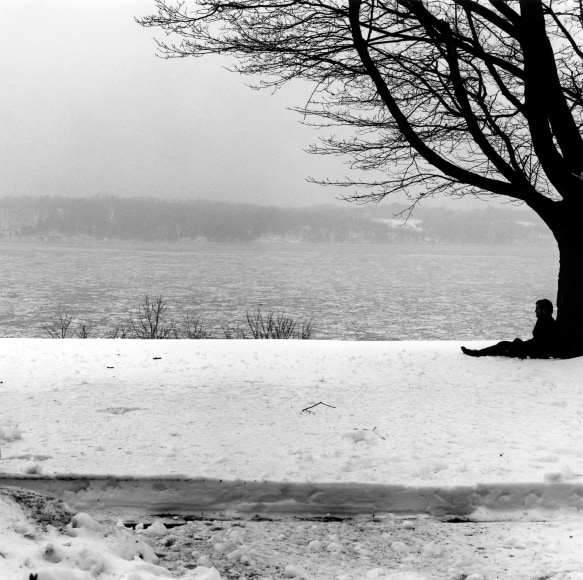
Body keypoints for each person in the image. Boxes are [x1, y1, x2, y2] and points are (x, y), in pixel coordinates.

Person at [461, 299, 559, 359]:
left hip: (530, 351)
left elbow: (541, 343)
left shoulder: (548, 323)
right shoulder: (543, 320)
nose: (535, 311)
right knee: (502, 345)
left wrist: (520, 345)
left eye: (537, 308)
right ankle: (477, 353)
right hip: (529, 348)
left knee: (502, 346)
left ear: (544, 310)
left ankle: (476, 353)